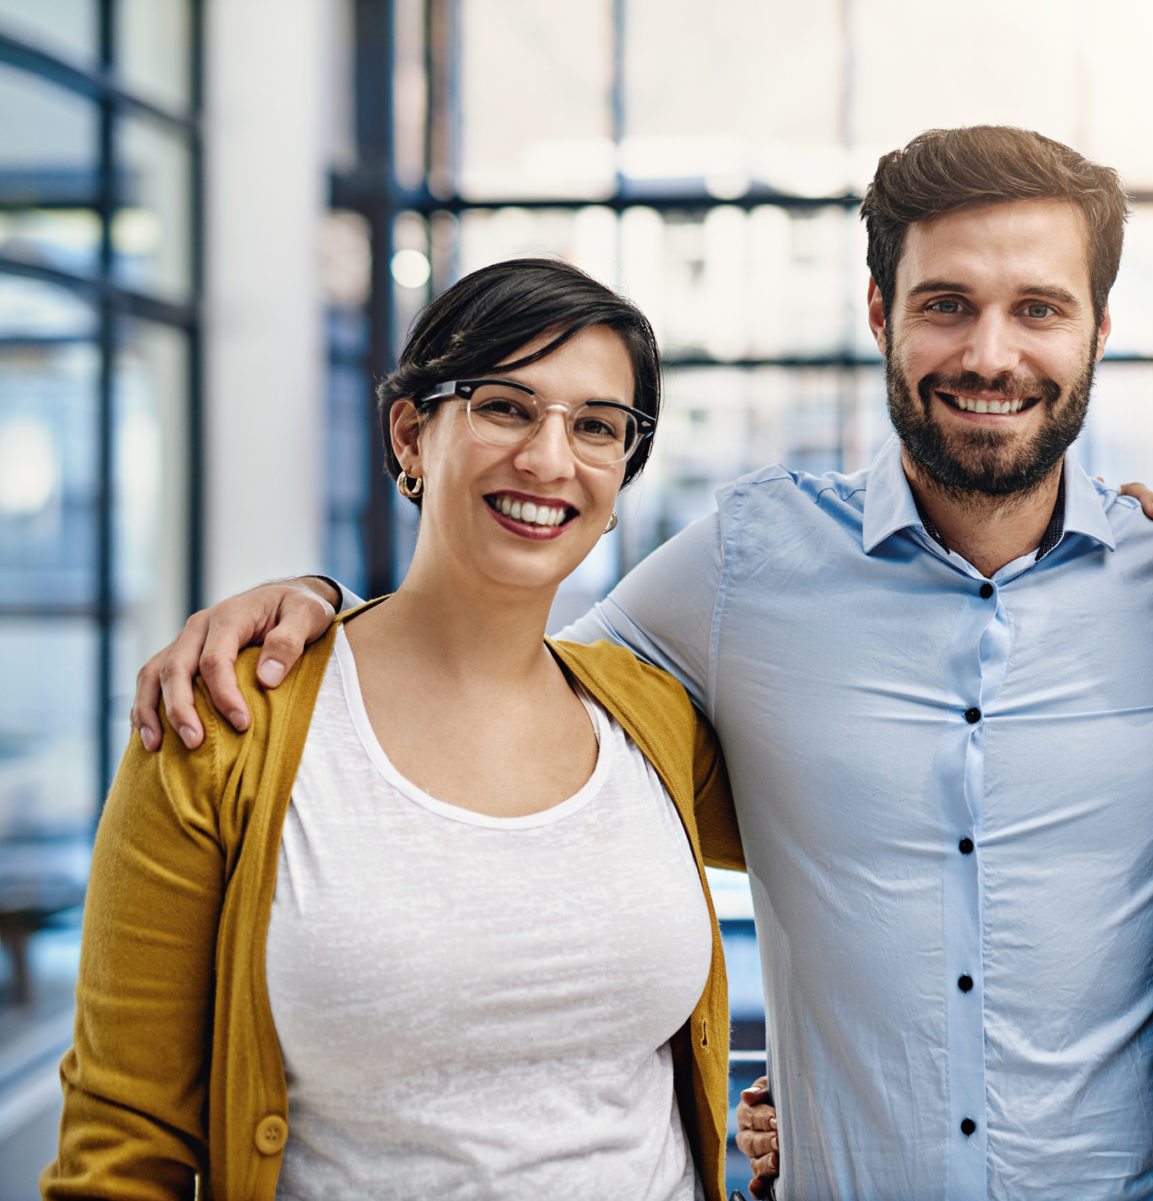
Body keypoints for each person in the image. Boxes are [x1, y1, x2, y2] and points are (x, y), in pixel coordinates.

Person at [127, 128, 1153, 1200]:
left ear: (1096, 331)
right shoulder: (741, 562)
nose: (992, 350)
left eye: (1037, 309)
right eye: (947, 303)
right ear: (882, 318)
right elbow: (500, 674)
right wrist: (313, 603)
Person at [46, 260, 744, 1200]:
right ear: (412, 431)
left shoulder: (653, 716)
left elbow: (884, 869)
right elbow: (121, 1144)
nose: (548, 458)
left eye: (595, 426)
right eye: (505, 406)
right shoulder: (226, 724)